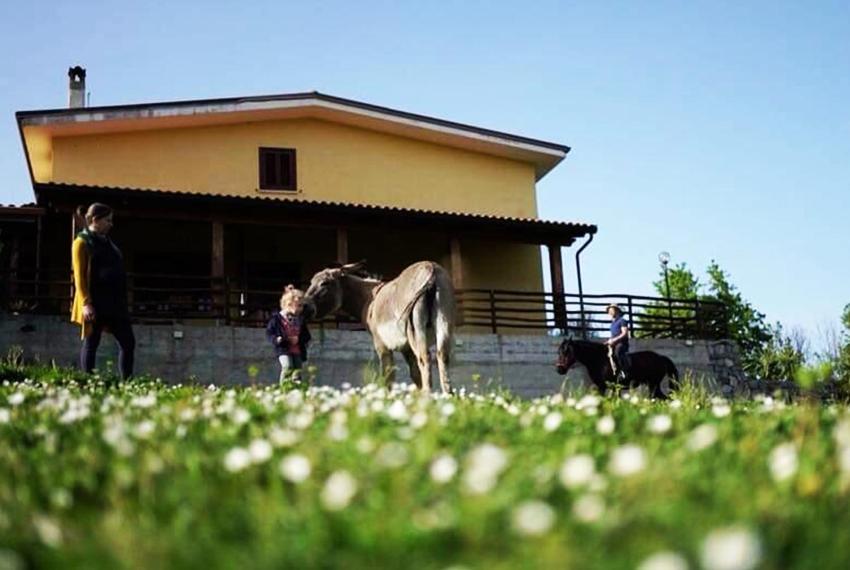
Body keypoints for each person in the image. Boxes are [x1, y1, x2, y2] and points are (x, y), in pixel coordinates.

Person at [71, 203, 135, 379]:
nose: (111, 224)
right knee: (92, 342)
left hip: (115, 303)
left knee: (128, 342)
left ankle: (127, 383)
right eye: (107, 220)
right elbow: (79, 277)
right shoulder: (81, 243)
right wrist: (86, 303)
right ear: (95, 220)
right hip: (95, 302)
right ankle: (88, 381)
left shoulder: (110, 244)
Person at [266, 285, 311, 384]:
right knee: (287, 366)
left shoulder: (300, 320)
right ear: (289, 304)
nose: (301, 309)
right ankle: (283, 389)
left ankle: (296, 390)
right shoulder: (277, 319)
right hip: (284, 349)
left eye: (302, 306)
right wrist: (278, 339)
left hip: (297, 350)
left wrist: (299, 339)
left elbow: (307, 336)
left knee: (297, 371)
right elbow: (270, 332)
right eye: (298, 305)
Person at [605, 303, 630, 380]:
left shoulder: (622, 321)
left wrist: (614, 340)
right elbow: (613, 335)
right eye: (609, 310)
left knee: (617, 352)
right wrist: (608, 341)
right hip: (614, 343)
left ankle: (623, 372)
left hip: (622, 344)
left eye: (611, 310)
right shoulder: (612, 324)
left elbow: (624, 333)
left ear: (617, 311)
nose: (609, 312)